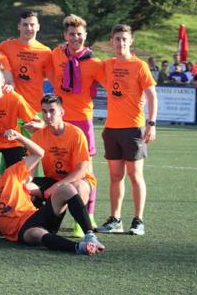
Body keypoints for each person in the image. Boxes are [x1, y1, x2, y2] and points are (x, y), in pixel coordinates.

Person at [0, 132, 105, 255]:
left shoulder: (11, 174)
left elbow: (39, 153)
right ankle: (79, 247)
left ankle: (90, 235)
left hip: (36, 215)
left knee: (66, 188)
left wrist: (20, 137)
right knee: (36, 233)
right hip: (22, 231)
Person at [96, 24, 157, 236]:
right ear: (111, 42)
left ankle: (138, 220)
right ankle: (115, 219)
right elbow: (86, 64)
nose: (120, 43)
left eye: (124, 39)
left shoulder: (139, 66)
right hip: (111, 128)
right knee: (115, 176)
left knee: (135, 175)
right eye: (117, 39)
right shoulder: (107, 64)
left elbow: (151, 95)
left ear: (130, 41)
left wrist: (151, 123)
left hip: (133, 129)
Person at [48, 14, 103, 230]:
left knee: (86, 170)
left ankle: (87, 217)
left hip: (82, 120)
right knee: (58, 166)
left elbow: (113, 83)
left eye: (79, 34)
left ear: (85, 35)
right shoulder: (56, 54)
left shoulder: (95, 63)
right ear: (65, 35)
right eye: (72, 34)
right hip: (60, 121)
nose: (75, 38)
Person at [28, 94, 97, 229]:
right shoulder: (38, 136)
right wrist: (26, 183)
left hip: (77, 180)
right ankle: (41, 221)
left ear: (61, 112)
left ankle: (81, 225)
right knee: (25, 188)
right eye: (44, 111)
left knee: (77, 187)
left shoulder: (76, 134)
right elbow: (30, 167)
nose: (47, 115)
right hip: (52, 179)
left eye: (52, 111)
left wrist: (58, 186)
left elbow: (81, 171)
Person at [0, 10, 52, 113]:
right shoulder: (6, 46)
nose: (29, 28)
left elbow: (53, 77)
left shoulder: (46, 52)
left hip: (34, 108)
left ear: (38, 27)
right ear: (19, 26)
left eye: (32, 25)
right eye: (25, 24)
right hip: (10, 107)